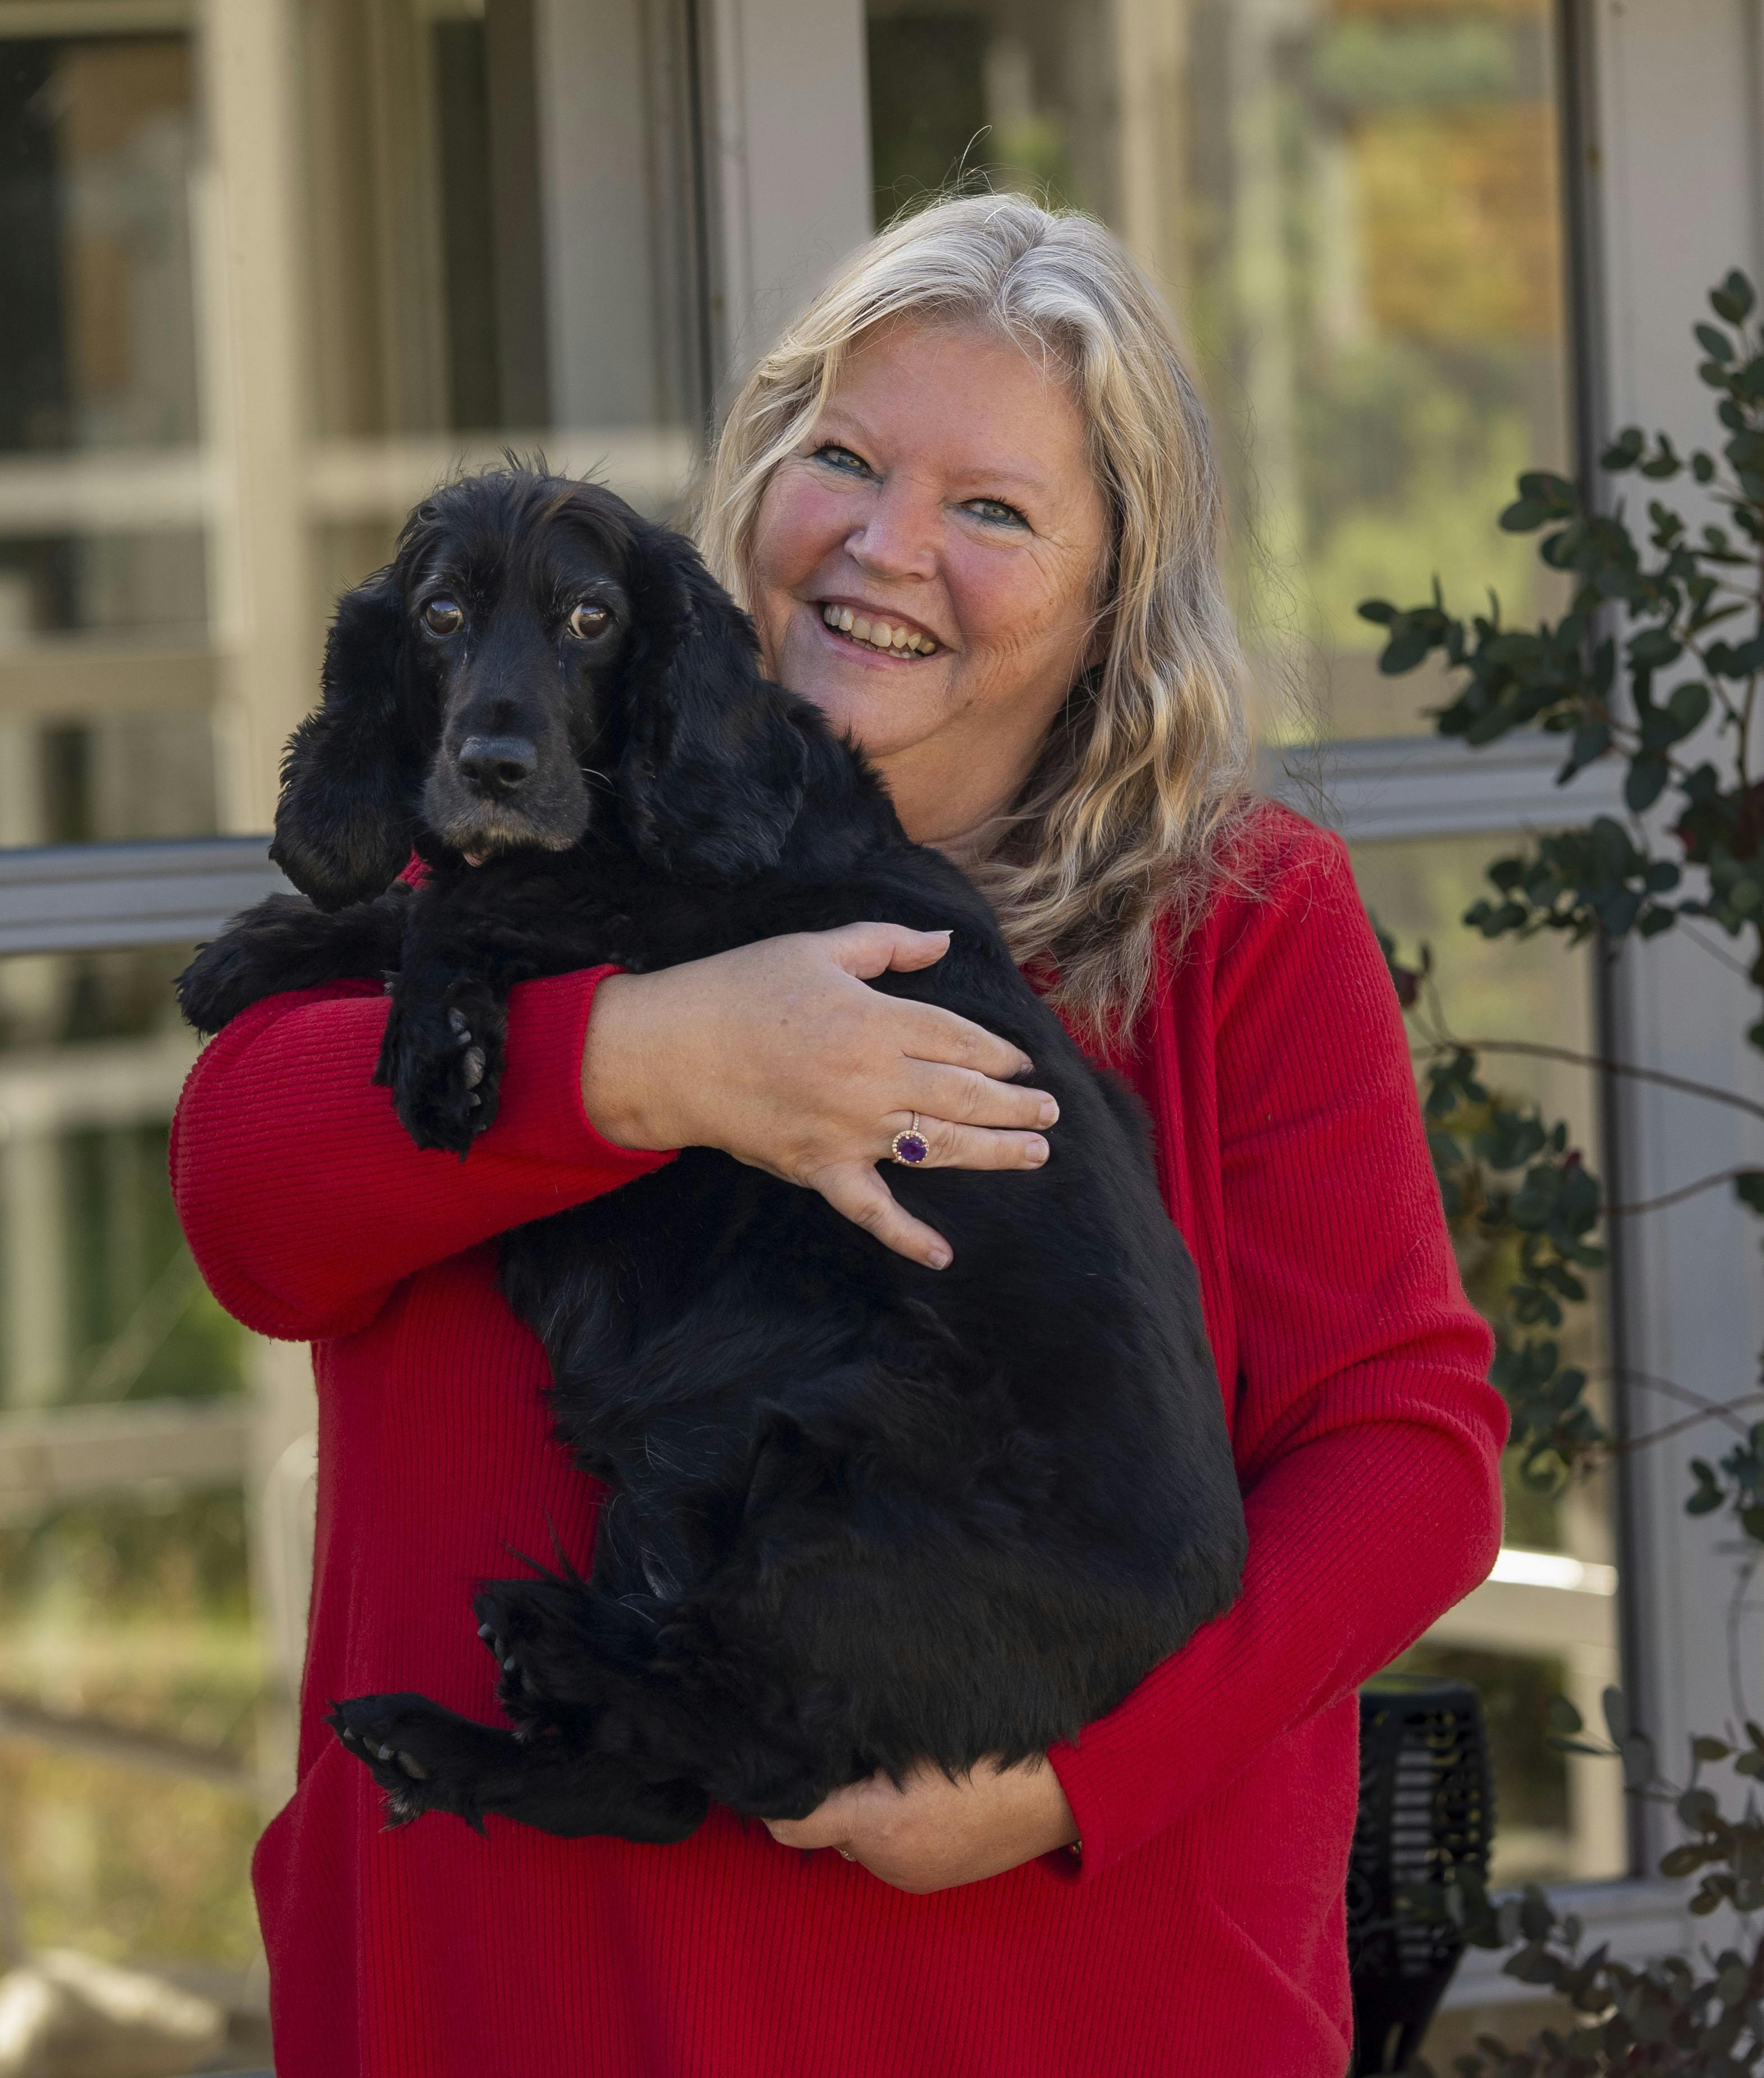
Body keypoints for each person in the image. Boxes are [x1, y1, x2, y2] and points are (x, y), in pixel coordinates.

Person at [171, 193, 1504, 2078]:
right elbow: (248, 1202)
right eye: (848, 461)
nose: (887, 549)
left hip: (1048, 2001)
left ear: (1116, 589)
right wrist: (653, 1063)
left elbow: (1411, 1455)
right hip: (512, 1994)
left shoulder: (1233, 918)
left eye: (994, 508)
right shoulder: (522, 830)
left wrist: (1061, 1780)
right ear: (762, 479)